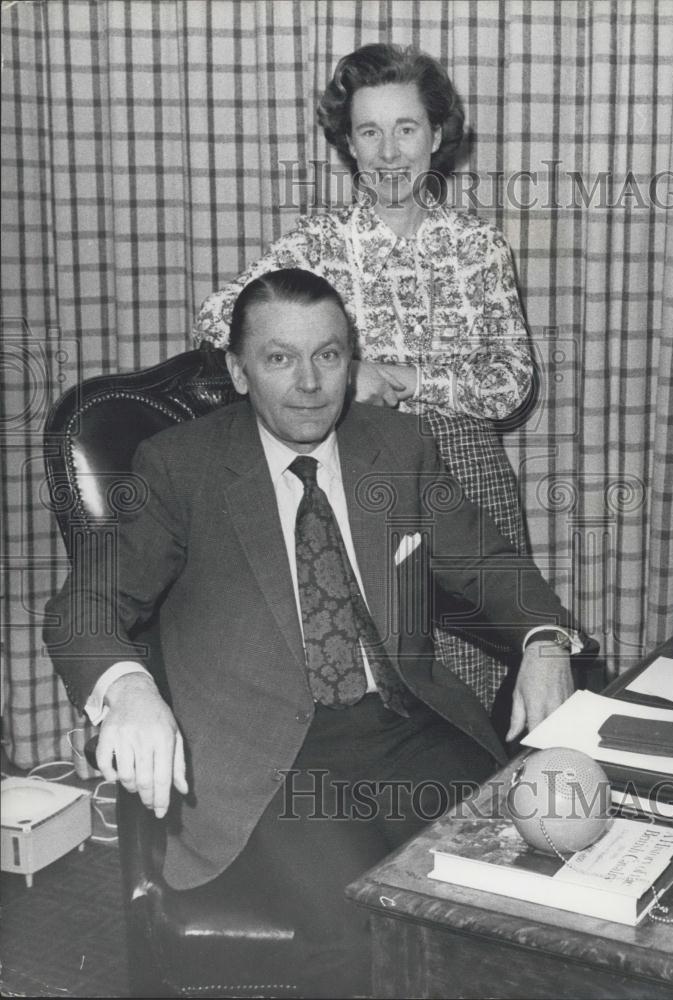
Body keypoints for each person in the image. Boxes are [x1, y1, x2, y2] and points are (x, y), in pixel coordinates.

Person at [46, 269, 582, 998]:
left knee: (518, 896)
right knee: (355, 929)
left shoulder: (397, 445)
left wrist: (543, 640)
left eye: (328, 356)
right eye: (279, 358)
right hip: (267, 757)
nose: (309, 383)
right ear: (239, 370)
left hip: (402, 728)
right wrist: (128, 689)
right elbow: (83, 606)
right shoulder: (181, 468)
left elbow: (487, 562)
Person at [194, 43, 534, 711]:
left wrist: (402, 376)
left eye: (405, 129)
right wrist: (347, 371)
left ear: (437, 136)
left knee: (494, 671)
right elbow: (217, 316)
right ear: (348, 145)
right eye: (368, 132)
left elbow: (512, 381)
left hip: (469, 464)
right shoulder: (315, 243)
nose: (388, 152)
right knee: (395, 678)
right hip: (363, 467)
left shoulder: (479, 245)